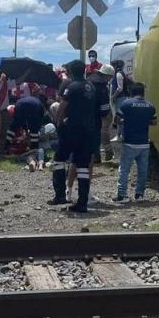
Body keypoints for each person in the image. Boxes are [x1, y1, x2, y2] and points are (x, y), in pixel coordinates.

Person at [49, 59, 96, 212]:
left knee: (59, 159)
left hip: (72, 128)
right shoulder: (91, 86)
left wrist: (59, 122)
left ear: (70, 71)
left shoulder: (72, 86)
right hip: (88, 129)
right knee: (82, 165)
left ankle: (60, 194)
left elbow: (62, 106)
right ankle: (82, 202)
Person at [113, 83, 157, 202]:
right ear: (143, 92)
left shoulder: (125, 104)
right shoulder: (150, 106)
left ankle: (122, 195)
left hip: (129, 142)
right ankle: (139, 195)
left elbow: (116, 120)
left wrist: (125, 120)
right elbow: (154, 123)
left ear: (131, 92)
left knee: (124, 170)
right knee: (142, 171)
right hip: (144, 143)